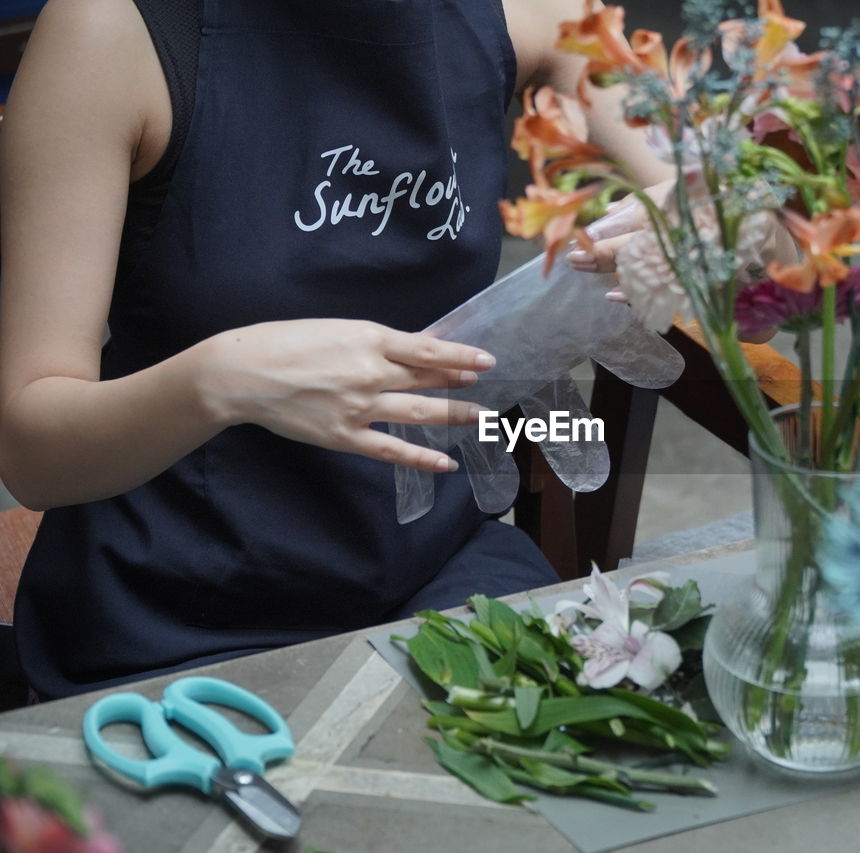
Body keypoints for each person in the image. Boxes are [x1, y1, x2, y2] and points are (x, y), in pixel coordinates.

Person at [0, 0, 672, 699]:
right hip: (176, 609)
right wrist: (222, 379)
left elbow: (744, 214)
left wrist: (694, 216)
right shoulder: (111, 29)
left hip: (436, 566)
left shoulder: (521, 10)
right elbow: (31, 451)